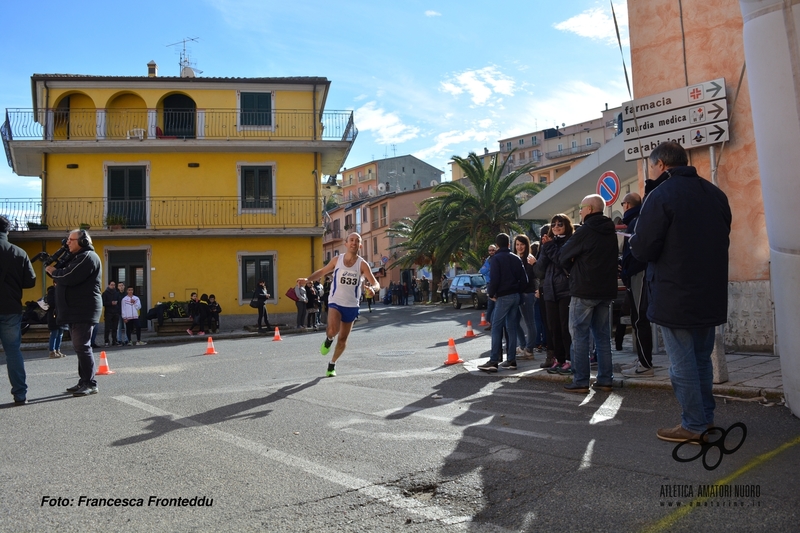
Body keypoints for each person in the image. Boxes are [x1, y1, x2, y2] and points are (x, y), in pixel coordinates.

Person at [630, 141, 731, 443]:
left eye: (651, 166)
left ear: (660, 164)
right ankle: (705, 419)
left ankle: (693, 425)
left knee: (683, 363)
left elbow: (644, 246)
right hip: (710, 291)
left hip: (675, 292)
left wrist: (632, 240)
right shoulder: (715, 194)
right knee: (701, 360)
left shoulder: (661, 195)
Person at [559, 195, 620, 393]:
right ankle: (605, 379)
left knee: (579, 336)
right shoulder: (610, 230)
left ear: (591, 209)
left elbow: (563, 255)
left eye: (582, 207)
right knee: (603, 337)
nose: (580, 211)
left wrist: (572, 268)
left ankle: (581, 380)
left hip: (584, 289)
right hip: (606, 291)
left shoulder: (585, 231)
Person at [297, 232, 380, 377]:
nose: (354, 243)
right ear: (346, 244)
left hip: (352, 305)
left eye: (357, 241)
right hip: (335, 301)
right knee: (333, 330)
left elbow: (376, 283)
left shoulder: (362, 264)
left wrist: (373, 289)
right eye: (351, 240)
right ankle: (329, 339)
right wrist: (307, 279)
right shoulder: (337, 260)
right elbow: (323, 271)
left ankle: (332, 364)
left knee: (342, 339)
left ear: (360, 245)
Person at [45, 229, 102, 397]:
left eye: (71, 240)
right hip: (75, 310)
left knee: (83, 347)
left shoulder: (87, 257)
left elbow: (69, 276)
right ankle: (83, 381)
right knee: (79, 347)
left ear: (83, 242)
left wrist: (54, 272)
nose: (67, 242)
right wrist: (60, 257)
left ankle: (90, 383)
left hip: (83, 310)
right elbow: (63, 272)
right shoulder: (77, 257)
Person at [0, 215, 36, 405]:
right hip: (10, 307)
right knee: (13, 352)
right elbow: (30, 281)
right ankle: (20, 394)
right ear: (7, 231)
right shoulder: (19, 252)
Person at [478, 233, 527, 372]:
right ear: (509, 244)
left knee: (496, 326)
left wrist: (492, 294)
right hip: (515, 295)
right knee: (511, 328)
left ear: (497, 245)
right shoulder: (516, 258)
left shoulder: (496, 259)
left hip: (503, 297)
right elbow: (524, 280)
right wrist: (518, 291)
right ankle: (511, 360)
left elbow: (494, 279)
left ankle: (494, 361)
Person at [619, 192, 654, 377]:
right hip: (634, 272)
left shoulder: (636, 221)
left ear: (627, 205)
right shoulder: (635, 221)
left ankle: (645, 364)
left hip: (638, 272)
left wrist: (627, 269)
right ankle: (642, 359)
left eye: (623, 203)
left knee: (640, 318)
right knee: (637, 317)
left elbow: (635, 250)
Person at [535, 217, 574, 374]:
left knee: (566, 327)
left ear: (566, 226)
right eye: (554, 224)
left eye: (560, 224)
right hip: (549, 290)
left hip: (566, 289)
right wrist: (545, 249)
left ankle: (569, 360)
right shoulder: (548, 244)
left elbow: (562, 261)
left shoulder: (571, 241)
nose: (556, 226)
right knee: (553, 328)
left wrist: (549, 247)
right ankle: (559, 359)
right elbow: (538, 270)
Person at [514, 235, 538, 360]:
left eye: (522, 244)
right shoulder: (516, 258)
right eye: (517, 244)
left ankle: (529, 350)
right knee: (514, 321)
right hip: (517, 294)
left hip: (527, 294)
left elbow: (528, 278)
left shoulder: (529, 258)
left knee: (530, 323)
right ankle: (523, 346)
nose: (519, 247)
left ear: (527, 245)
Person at [479, 244, 497, 330]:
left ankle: (494, 324)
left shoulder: (498, 258)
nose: (491, 252)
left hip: (496, 283)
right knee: (491, 305)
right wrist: (489, 269)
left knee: (496, 305)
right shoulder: (488, 260)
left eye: (493, 250)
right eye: (490, 250)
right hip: (489, 284)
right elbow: (482, 271)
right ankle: (490, 323)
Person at [46, 283, 66, 358]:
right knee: (54, 333)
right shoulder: (51, 291)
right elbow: (51, 302)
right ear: (55, 284)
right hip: (53, 316)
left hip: (61, 315)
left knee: (60, 334)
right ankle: (52, 351)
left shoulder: (62, 291)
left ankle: (58, 350)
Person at [102, 280, 119, 347]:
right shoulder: (105, 293)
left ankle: (114, 340)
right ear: (109, 285)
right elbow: (103, 303)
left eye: (114, 285)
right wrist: (110, 303)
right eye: (111, 285)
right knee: (107, 328)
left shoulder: (116, 293)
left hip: (116, 312)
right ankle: (106, 341)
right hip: (108, 312)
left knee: (115, 328)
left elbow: (119, 302)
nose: (113, 286)